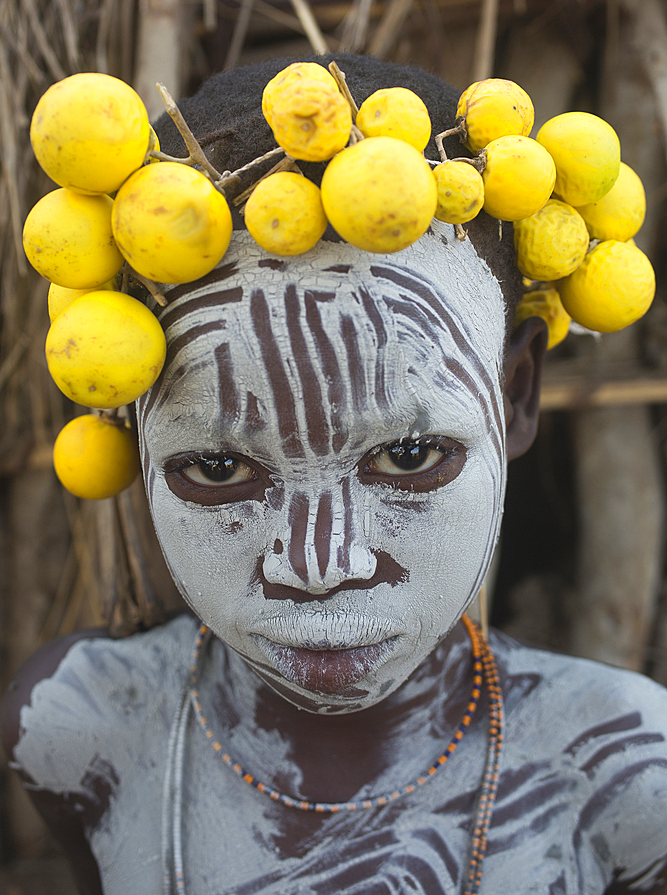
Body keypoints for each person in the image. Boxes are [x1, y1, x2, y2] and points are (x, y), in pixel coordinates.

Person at [2, 54, 667, 895]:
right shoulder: (77, 732)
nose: (320, 567)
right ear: (132, 427)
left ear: (515, 397)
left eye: (410, 456)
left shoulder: (628, 776)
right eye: (216, 465)